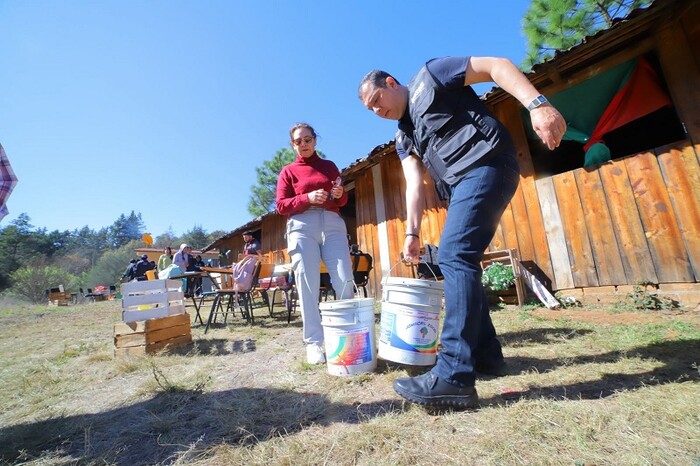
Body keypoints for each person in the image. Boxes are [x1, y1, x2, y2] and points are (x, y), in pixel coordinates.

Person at [358, 56, 566, 408]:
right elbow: (413, 185)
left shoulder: (432, 75)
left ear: (391, 83)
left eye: (376, 100)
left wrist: (538, 104)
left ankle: (453, 376)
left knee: (454, 256)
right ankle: (487, 356)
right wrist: (411, 233)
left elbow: (496, 66)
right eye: (369, 110)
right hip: (461, 186)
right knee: (459, 259)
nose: (376, 110)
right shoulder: (403, 136)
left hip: (487, 163)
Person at [276, 122, 355, 365]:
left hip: (332, 223)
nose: (303, 144)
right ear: (293, 145)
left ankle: (348, 337)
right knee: (307, 284)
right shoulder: (288, 171)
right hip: (301, 226)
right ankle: (314, 343)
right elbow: (281, 205)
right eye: (298, 141)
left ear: (315, 140)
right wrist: (306, 198)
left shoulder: (329, 166)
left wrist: (340, 195)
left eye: (307, 139)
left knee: (344, 279)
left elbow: (341, 200)